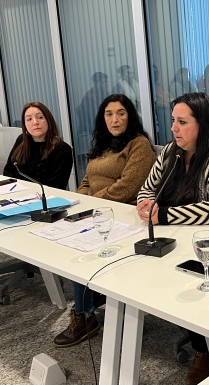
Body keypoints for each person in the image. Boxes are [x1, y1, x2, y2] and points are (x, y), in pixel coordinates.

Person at [136, 92, 209, 384]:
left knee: (191, 278)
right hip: (176, 237)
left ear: (203, 124)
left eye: (182, 122)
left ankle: (205, 351)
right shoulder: (170, 152)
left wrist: (165, 215)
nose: (173, 128)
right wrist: (146, 205)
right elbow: (147, 189)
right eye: (173, 120)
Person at [53, 94, 155, 348]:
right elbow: (87, 181)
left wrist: (90, 205)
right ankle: (88, 303)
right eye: (109, 114)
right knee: (68, 241)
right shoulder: (102, 145)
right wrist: (79, 204)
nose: (114, 119)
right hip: (96, 213)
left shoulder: (139, 145)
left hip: (124, 216)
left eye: (120, 113)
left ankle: (84, 315)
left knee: (83, 245)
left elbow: (128, 188)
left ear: (130, 116)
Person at [0, 102, 73, 307]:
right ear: (24, 125)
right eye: (29, 119)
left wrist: (24, 193)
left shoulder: (62, 150)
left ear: (48, 120)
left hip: (42, 208)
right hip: (15, 201)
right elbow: (8, 173)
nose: (35, 122)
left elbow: (55, 188)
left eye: (39, 117)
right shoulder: (21, 141)